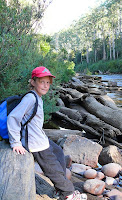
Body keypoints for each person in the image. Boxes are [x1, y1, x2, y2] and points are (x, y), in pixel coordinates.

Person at [7, 66, 87, 200]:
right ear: (33, 82)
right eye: (41, 82)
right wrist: (15, 143)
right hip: (34, 143)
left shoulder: (38, 97)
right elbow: (13, 117)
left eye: (48, 82)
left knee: (59, 153)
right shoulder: (30, 98)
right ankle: (68, 193)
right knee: (52, 167)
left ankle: (59, 190)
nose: (45, 85)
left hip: (40, 139)